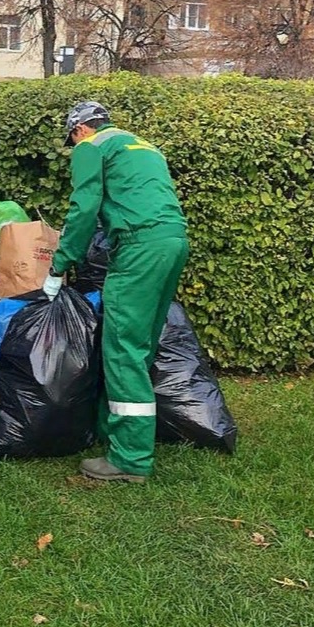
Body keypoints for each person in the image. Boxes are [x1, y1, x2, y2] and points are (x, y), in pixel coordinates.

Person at [43, 101, 189, 483]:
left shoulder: (92, 147)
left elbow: (84, 207)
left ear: (79, 129)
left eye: (72, 139)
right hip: (172, 242)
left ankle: (130, 459)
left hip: (138, 249)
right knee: (140, 344)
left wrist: (60, 263)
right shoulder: (142, 146)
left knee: (123, 349)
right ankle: (116, 433)